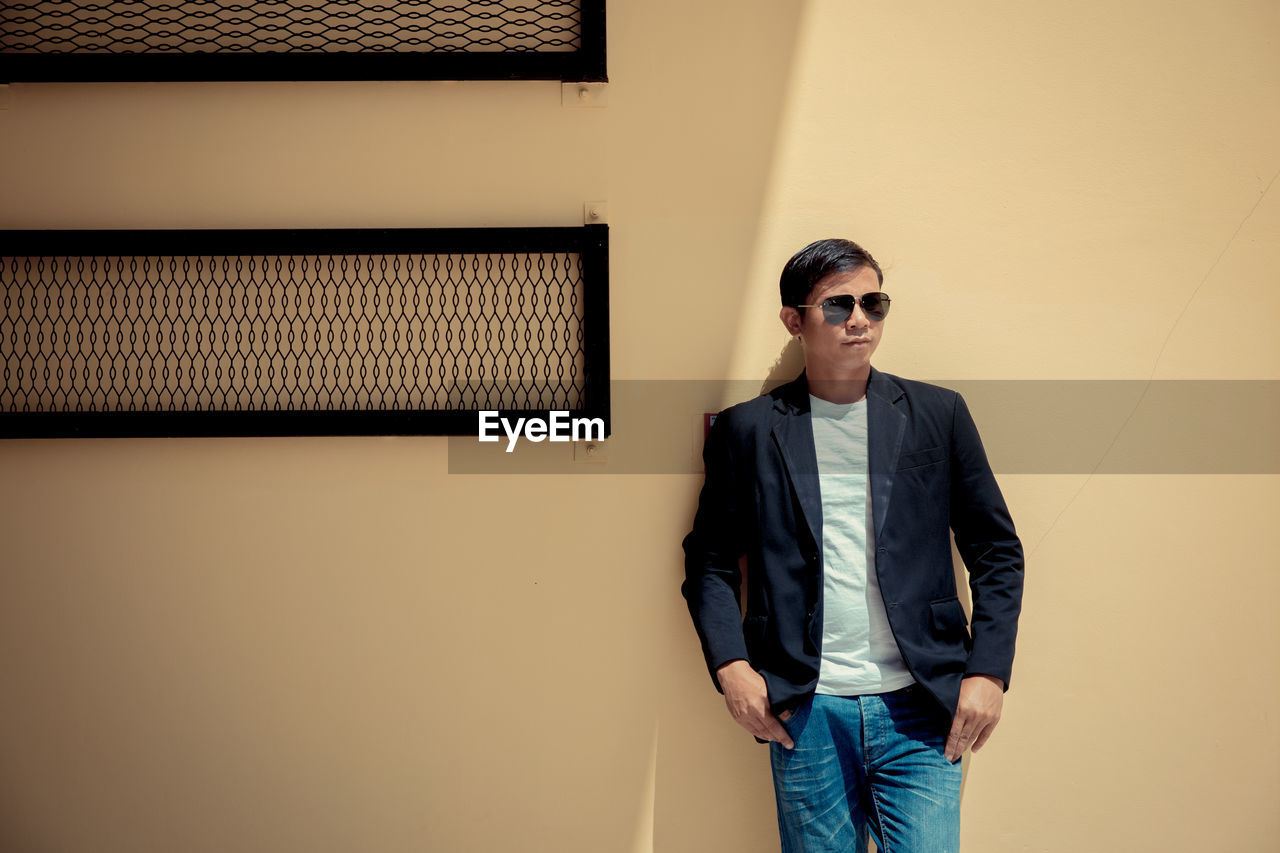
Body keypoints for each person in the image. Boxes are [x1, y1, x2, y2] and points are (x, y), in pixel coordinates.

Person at [682, 238, 1024, 852]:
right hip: (806, 709)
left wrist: (990, 673)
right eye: (838, 306)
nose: (860, 319)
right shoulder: (748, 430)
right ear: (794, 320)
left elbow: (996, 549)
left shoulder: (937, 414)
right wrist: (732, 668)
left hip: (922, 705)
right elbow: (709, 560)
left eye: (874, 302)